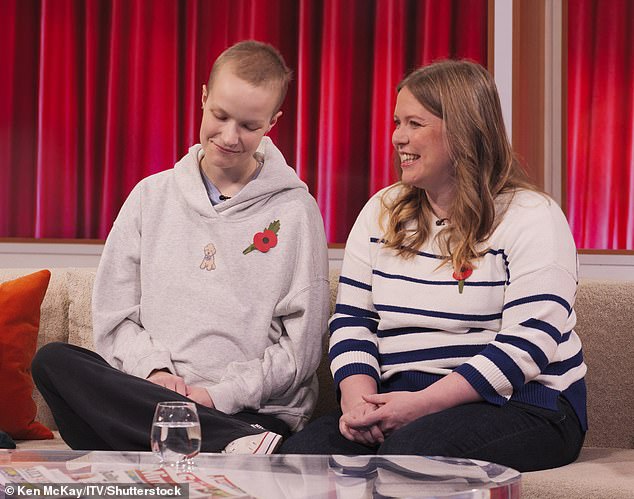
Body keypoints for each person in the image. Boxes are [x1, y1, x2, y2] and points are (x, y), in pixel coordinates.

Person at [280, 59, 587, 472]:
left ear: (462, 131)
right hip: (397, 400)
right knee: (300, 461)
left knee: (407, 456)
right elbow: (353, 321)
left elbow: (527, 346)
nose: (397, 137)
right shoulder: (381, 212)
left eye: (414, 124)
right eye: (396, 121)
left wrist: (418, 407)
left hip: (525, 406)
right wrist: (358, 402)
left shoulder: (531, 215)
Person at [32, 40, 329, 454]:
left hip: (244, 410)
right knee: (53, 361)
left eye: (248, 125)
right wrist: (153, 372)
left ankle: (221, 437)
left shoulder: (296, 211)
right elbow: (114, 316)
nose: (229, 136)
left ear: (272, 123)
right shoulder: (149, 196)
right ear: (204, 97)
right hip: (144, 398)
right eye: (220, 116)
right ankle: (233, 446)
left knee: (117, 421)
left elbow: (301, 350)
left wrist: (218, 395)